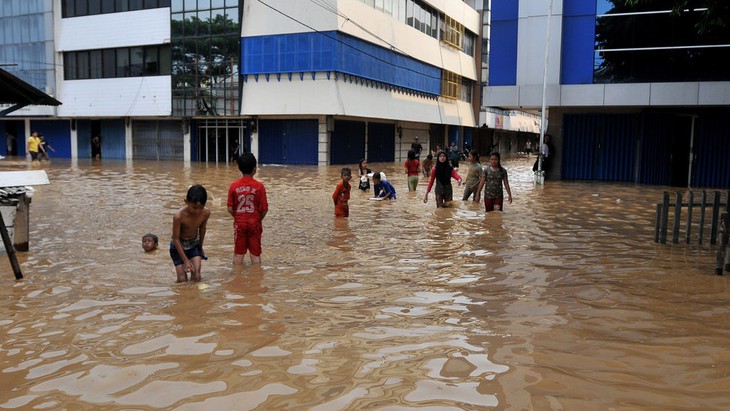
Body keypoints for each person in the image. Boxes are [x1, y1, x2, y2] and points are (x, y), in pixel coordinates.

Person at [227, 153, 269, 265]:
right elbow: (264, 209)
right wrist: (257, 219)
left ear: (239, 168)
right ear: (254, 170)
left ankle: (236, 279)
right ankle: (257, 278)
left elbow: (230, 208)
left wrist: (238, 216)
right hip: (254, 223)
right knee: (255, 254)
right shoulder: (260, 186)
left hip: (239, 223)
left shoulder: (233, 186)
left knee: (238, 254)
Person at [170, 184, 210, 283]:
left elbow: (202, 229)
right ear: (186, 202)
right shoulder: (179, 216)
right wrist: (185, 260)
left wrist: (200, 246)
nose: (197, 211)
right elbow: (175, 238)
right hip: (178, 246)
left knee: (196, 275)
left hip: (194, 244)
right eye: (194, 207)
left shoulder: (205, 213)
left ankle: (195, 297)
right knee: (182, 279)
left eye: (201, 207)